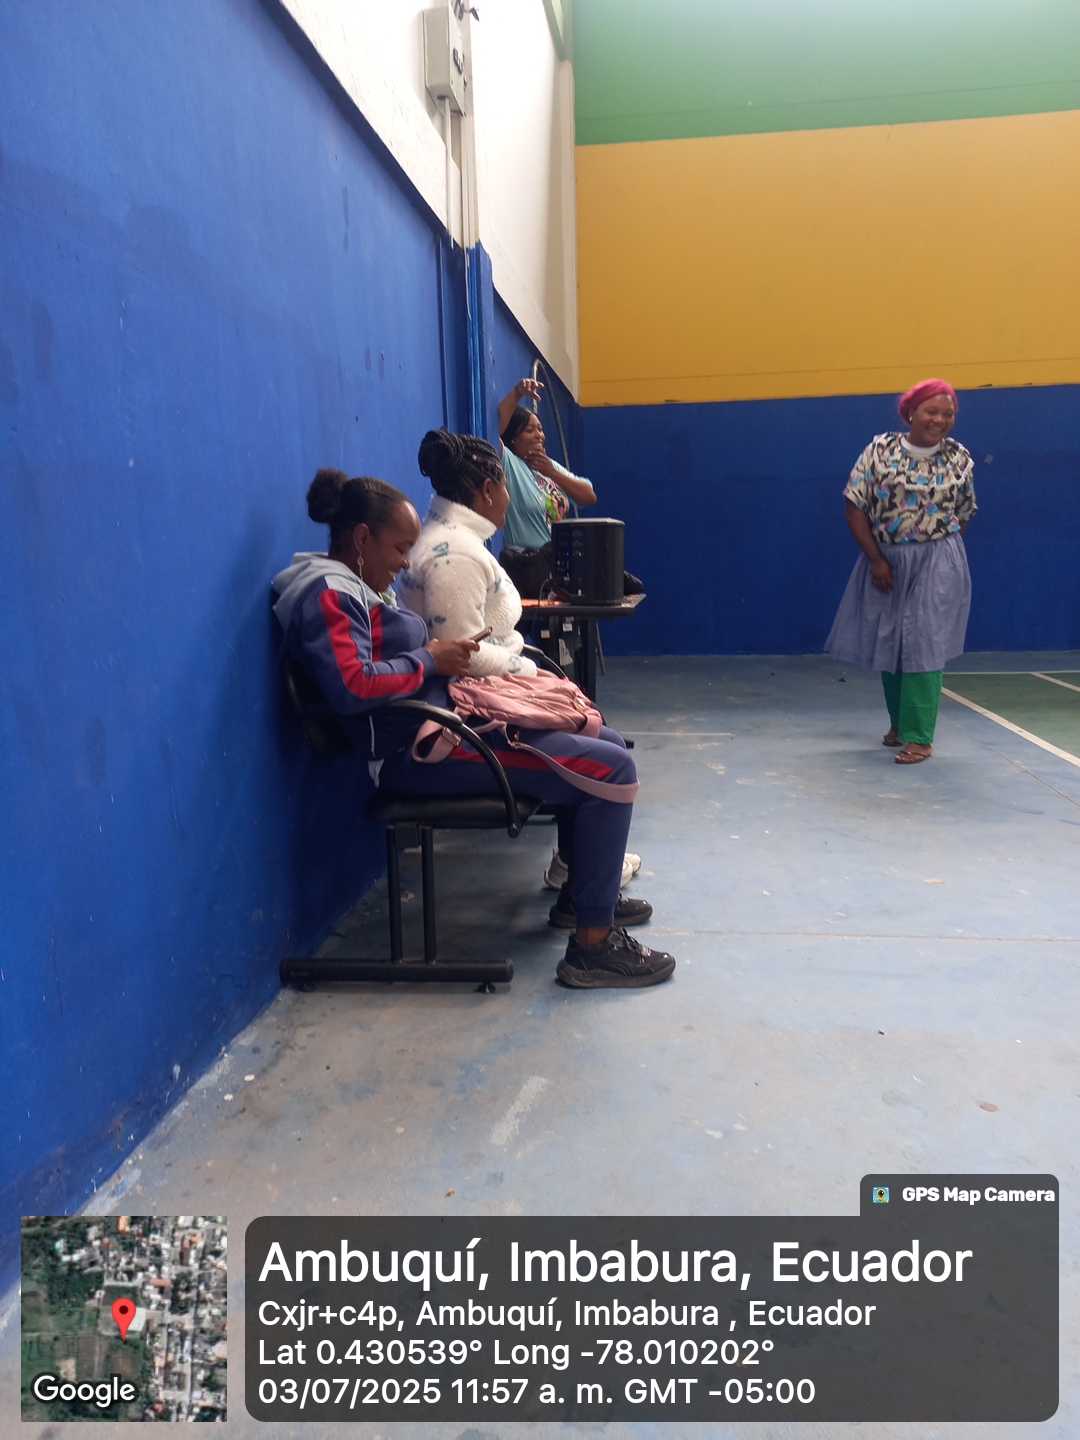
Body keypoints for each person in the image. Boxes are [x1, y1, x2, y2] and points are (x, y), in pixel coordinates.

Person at [274, 461, 674, 990]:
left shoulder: (354, 587)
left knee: (600, 739)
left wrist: (442, 663)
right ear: (363, 539)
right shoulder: (330, 595)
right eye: (400, 549)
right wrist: (430, 660)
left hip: (446, 726)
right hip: (418, 752)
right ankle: (593, 949)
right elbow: (352, 686)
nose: (405, 563)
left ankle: (585, 896)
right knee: (611, 769)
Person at [825, 379, 977, 764]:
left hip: (939, 559)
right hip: (887, 559)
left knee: (925, 644)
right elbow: (854, 508)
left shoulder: (959, 458)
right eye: (931, 411)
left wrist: (941, 554)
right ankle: (900, 725)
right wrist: (877, 560)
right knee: (891, 642)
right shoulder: (880, 452)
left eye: (948, 414)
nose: (939, 419)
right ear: (910, 413)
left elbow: (964, 512)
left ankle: (920, 737)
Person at [499, 379, 596, 551]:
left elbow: (588, 496)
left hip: (553, 559)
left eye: (540, 429)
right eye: (530, 431)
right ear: (513, 438)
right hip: (526, 561)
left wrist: (552, 472)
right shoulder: (508, 462)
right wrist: (518, 393)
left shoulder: (547, 466)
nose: (539, 436)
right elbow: (493, 431)